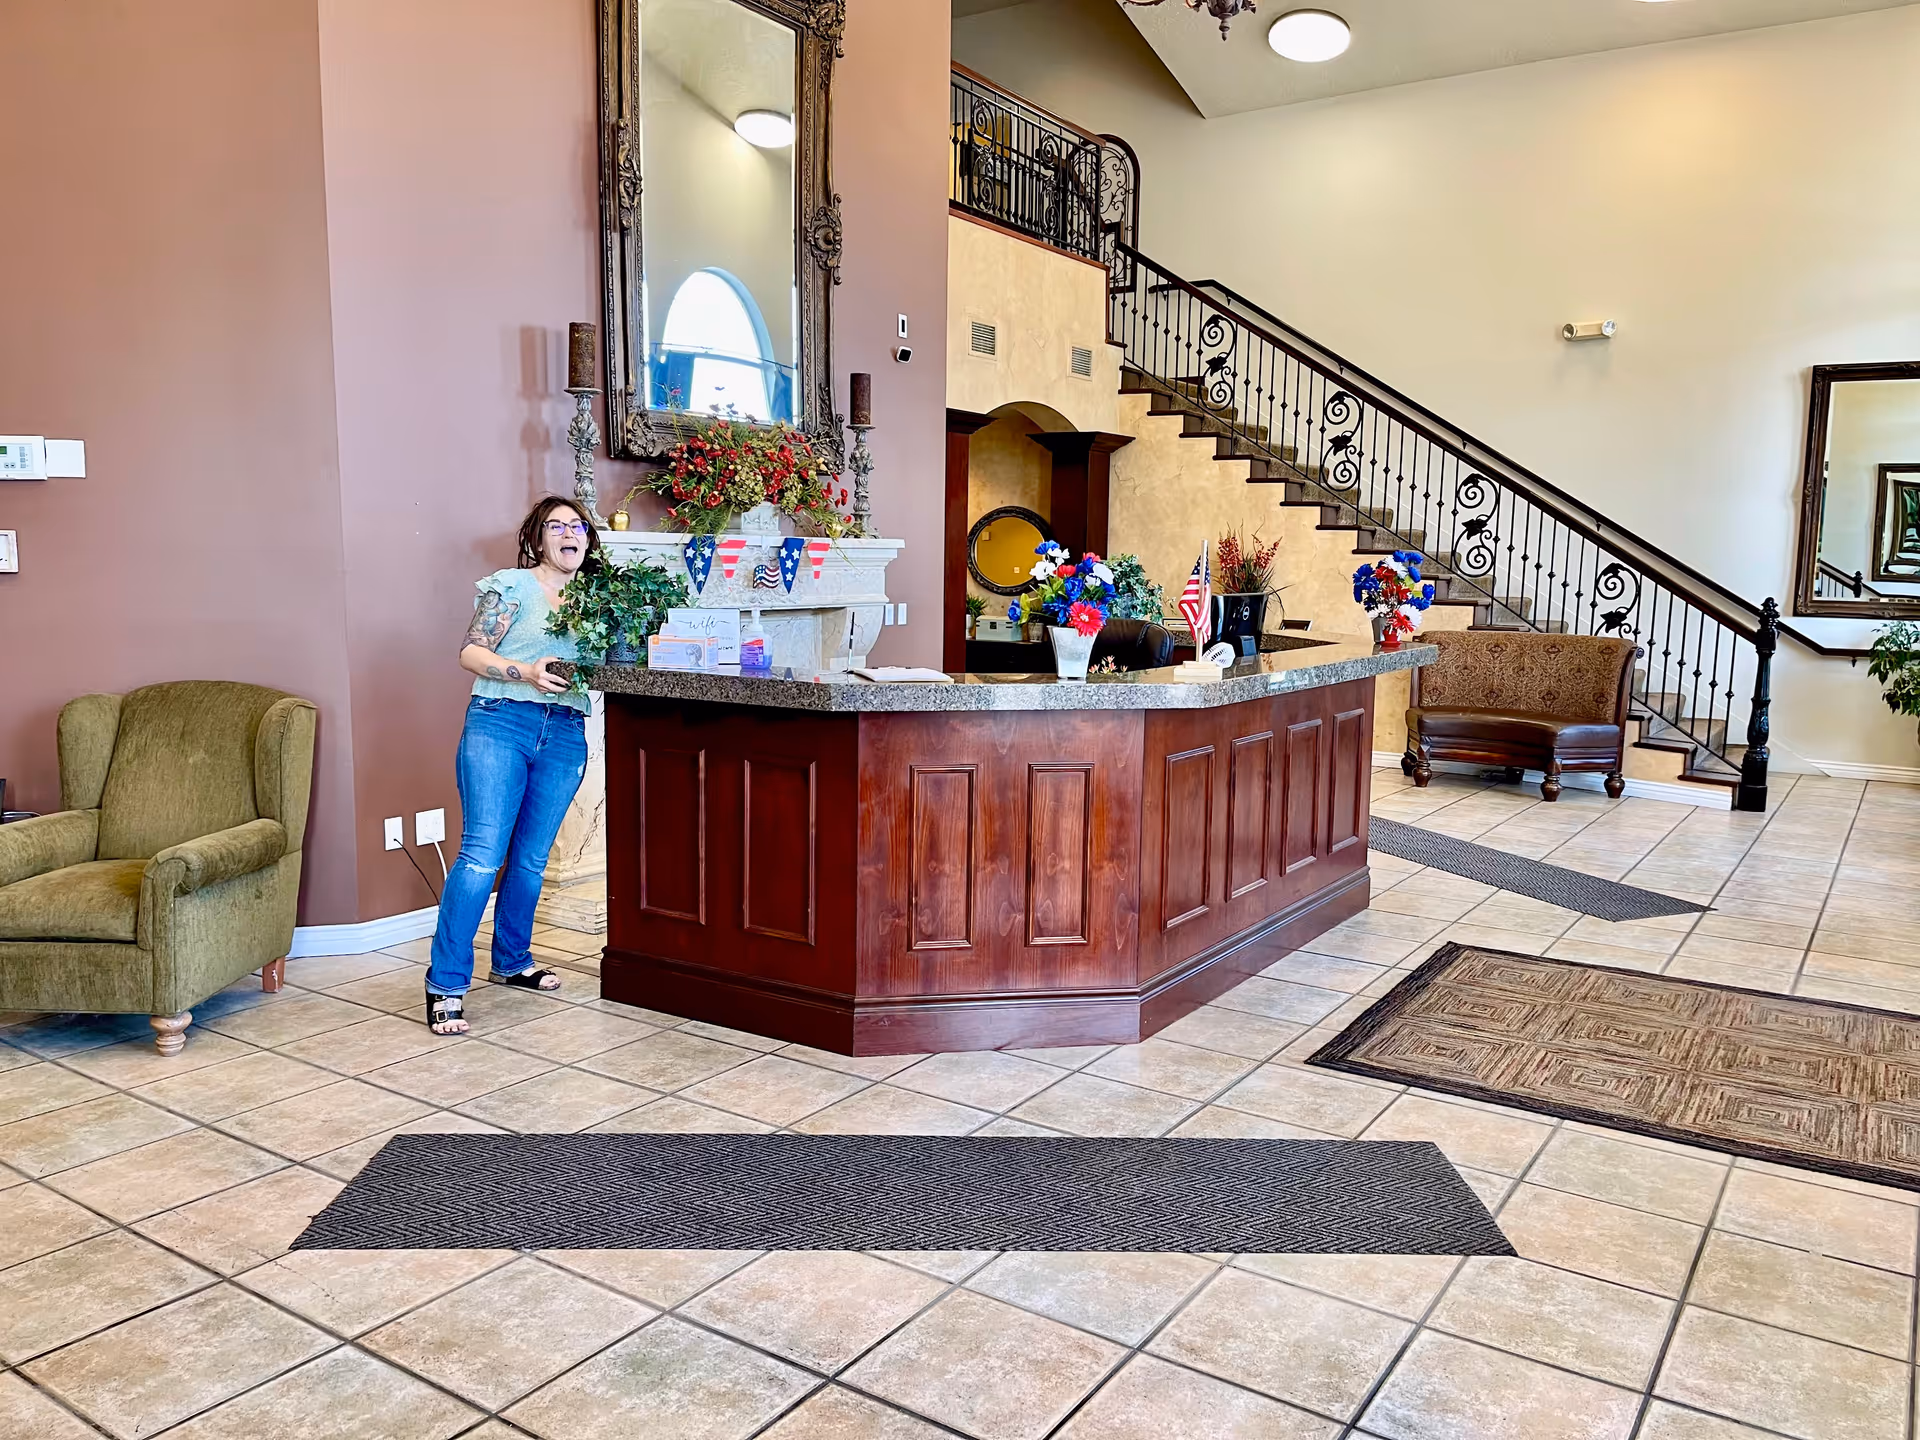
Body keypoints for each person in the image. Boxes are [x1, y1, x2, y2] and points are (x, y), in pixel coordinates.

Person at [425, 496, 596, 1036]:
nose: (569, 533)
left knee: (530, 860)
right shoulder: (513, 586)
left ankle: (512, 962)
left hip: (566, 731)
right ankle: (446, 983)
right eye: (556, 526)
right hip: (500, 722)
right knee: (481, 855)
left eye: (578, 525)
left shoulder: (601, 597)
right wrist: (524, 670)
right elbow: (470, 653)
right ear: (538, 539)